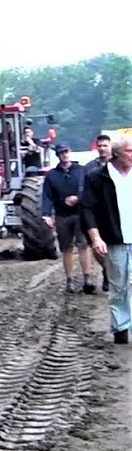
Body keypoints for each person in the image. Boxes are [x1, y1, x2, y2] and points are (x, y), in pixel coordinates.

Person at [81, 134, 132, 344]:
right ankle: (120, 327)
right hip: (114, 239)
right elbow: (87, 209)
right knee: (119, 285)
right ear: (117, 153)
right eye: (129, 151)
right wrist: (96, 238)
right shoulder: (97, 177)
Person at [42, 142, 94, 294]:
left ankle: (87, 278)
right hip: (61, 215)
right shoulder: (51, 175)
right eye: (61, 152)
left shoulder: (82, 171)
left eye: (66, 151)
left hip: (80, 214)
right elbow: (47, 197)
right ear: (57, 155)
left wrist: (78, 198)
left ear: (70, 152)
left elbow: (89, 191)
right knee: (66, 248)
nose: (64, 154)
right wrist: (46, 214)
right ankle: (70, 280)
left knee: (83, 245)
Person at [87, 133, 114, 291]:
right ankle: (106, 270)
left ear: (111, 147)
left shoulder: (118, 164)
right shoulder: (90, 167)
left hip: (115, 210)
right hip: (97, 212)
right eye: (100, 146)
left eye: (105, 145)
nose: (102, 148)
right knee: (97, 246)